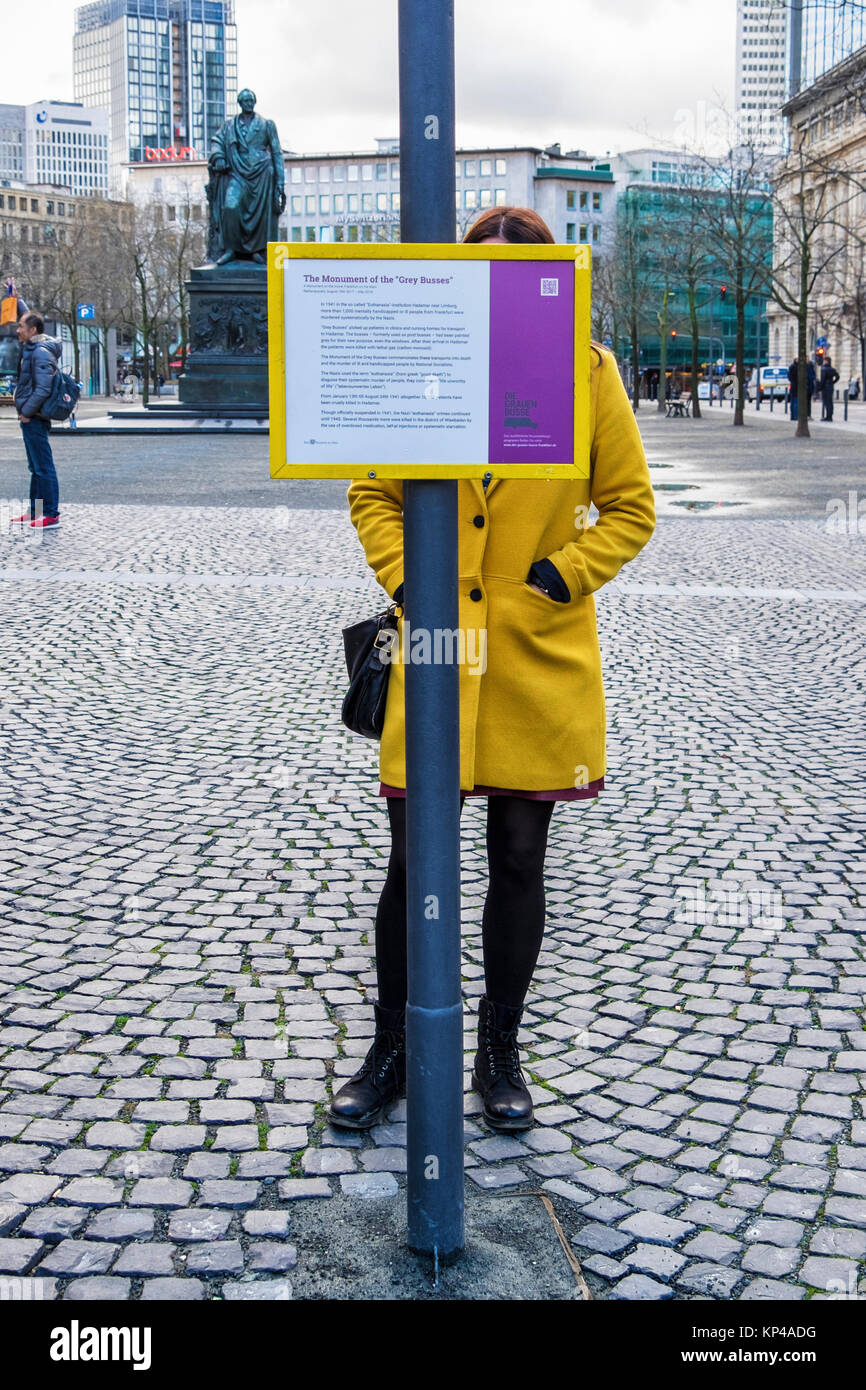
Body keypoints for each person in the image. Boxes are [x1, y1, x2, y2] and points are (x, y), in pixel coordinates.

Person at [328, 207, 656, 1133]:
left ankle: (499, 1050)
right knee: (410, 859)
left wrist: (561, 574)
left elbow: (631, 508)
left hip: (533, 649)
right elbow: (372, 491)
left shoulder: (587, 372)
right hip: (433, 645)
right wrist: (410, 579)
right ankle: (390, 1048)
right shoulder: (422, 353)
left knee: (518, 858)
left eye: (520, 269)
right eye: (482, 268)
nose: (501, 284)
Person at [12, 310, 61, 529]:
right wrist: (17, 297)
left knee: (43, 467)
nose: (18, 330)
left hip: (35, 417)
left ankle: (50, 514)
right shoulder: (36, 346)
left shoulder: (40, 352)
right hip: (31, 416)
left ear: (33, 331)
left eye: (21, 326)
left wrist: (27, 412)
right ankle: (36, 511)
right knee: (36, 467)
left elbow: (42, 388)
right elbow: (31, 316)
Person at [820, 355, 840, 421]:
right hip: (830, 386)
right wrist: (833, 382)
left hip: (825, 387)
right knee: (830, 402)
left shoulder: (824, 369)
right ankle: (830, 416)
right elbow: (837, 376)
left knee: (826, 402)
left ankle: (828, 417)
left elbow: (822, 380)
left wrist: (820, 388)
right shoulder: (832, 369)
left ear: (826, 361)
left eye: (824, 361)